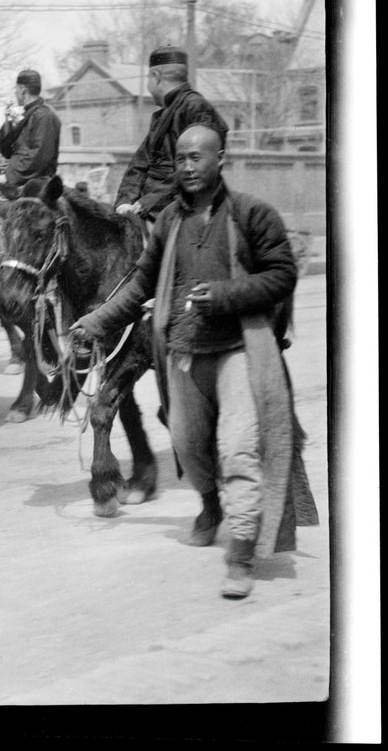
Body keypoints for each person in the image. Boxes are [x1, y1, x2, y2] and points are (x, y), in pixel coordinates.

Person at [71, 124, 315, 599]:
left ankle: (241, 553)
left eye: (196, 157)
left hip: (241, 350)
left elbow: (282, 275)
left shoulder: (252, 214)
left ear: (219, 158)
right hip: (182, 354)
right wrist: (96, 322)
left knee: (239, 448)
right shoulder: (168, 223)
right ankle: (209, 506)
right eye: (181, 158)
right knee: (186, 444)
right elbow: (142, 285)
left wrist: (226, 295)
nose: (187, 166)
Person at [115, 45, 230, 224]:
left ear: (156, 77)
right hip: (149, 210)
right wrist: (124, 202)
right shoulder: (165, 113)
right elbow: (139, 164)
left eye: (148, 79)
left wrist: (145, 203)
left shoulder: (196, 108)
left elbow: (195, 170)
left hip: (180, 212)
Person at [0, 69, 61, 195]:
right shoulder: (25, 115)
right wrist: (8, 123)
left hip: (37, 188)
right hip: (21, 181)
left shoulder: (44, 116)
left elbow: (39, 156)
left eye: (16, 89)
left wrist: (10, 177)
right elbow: (6, 151)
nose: (15, 93)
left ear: (22, 89)